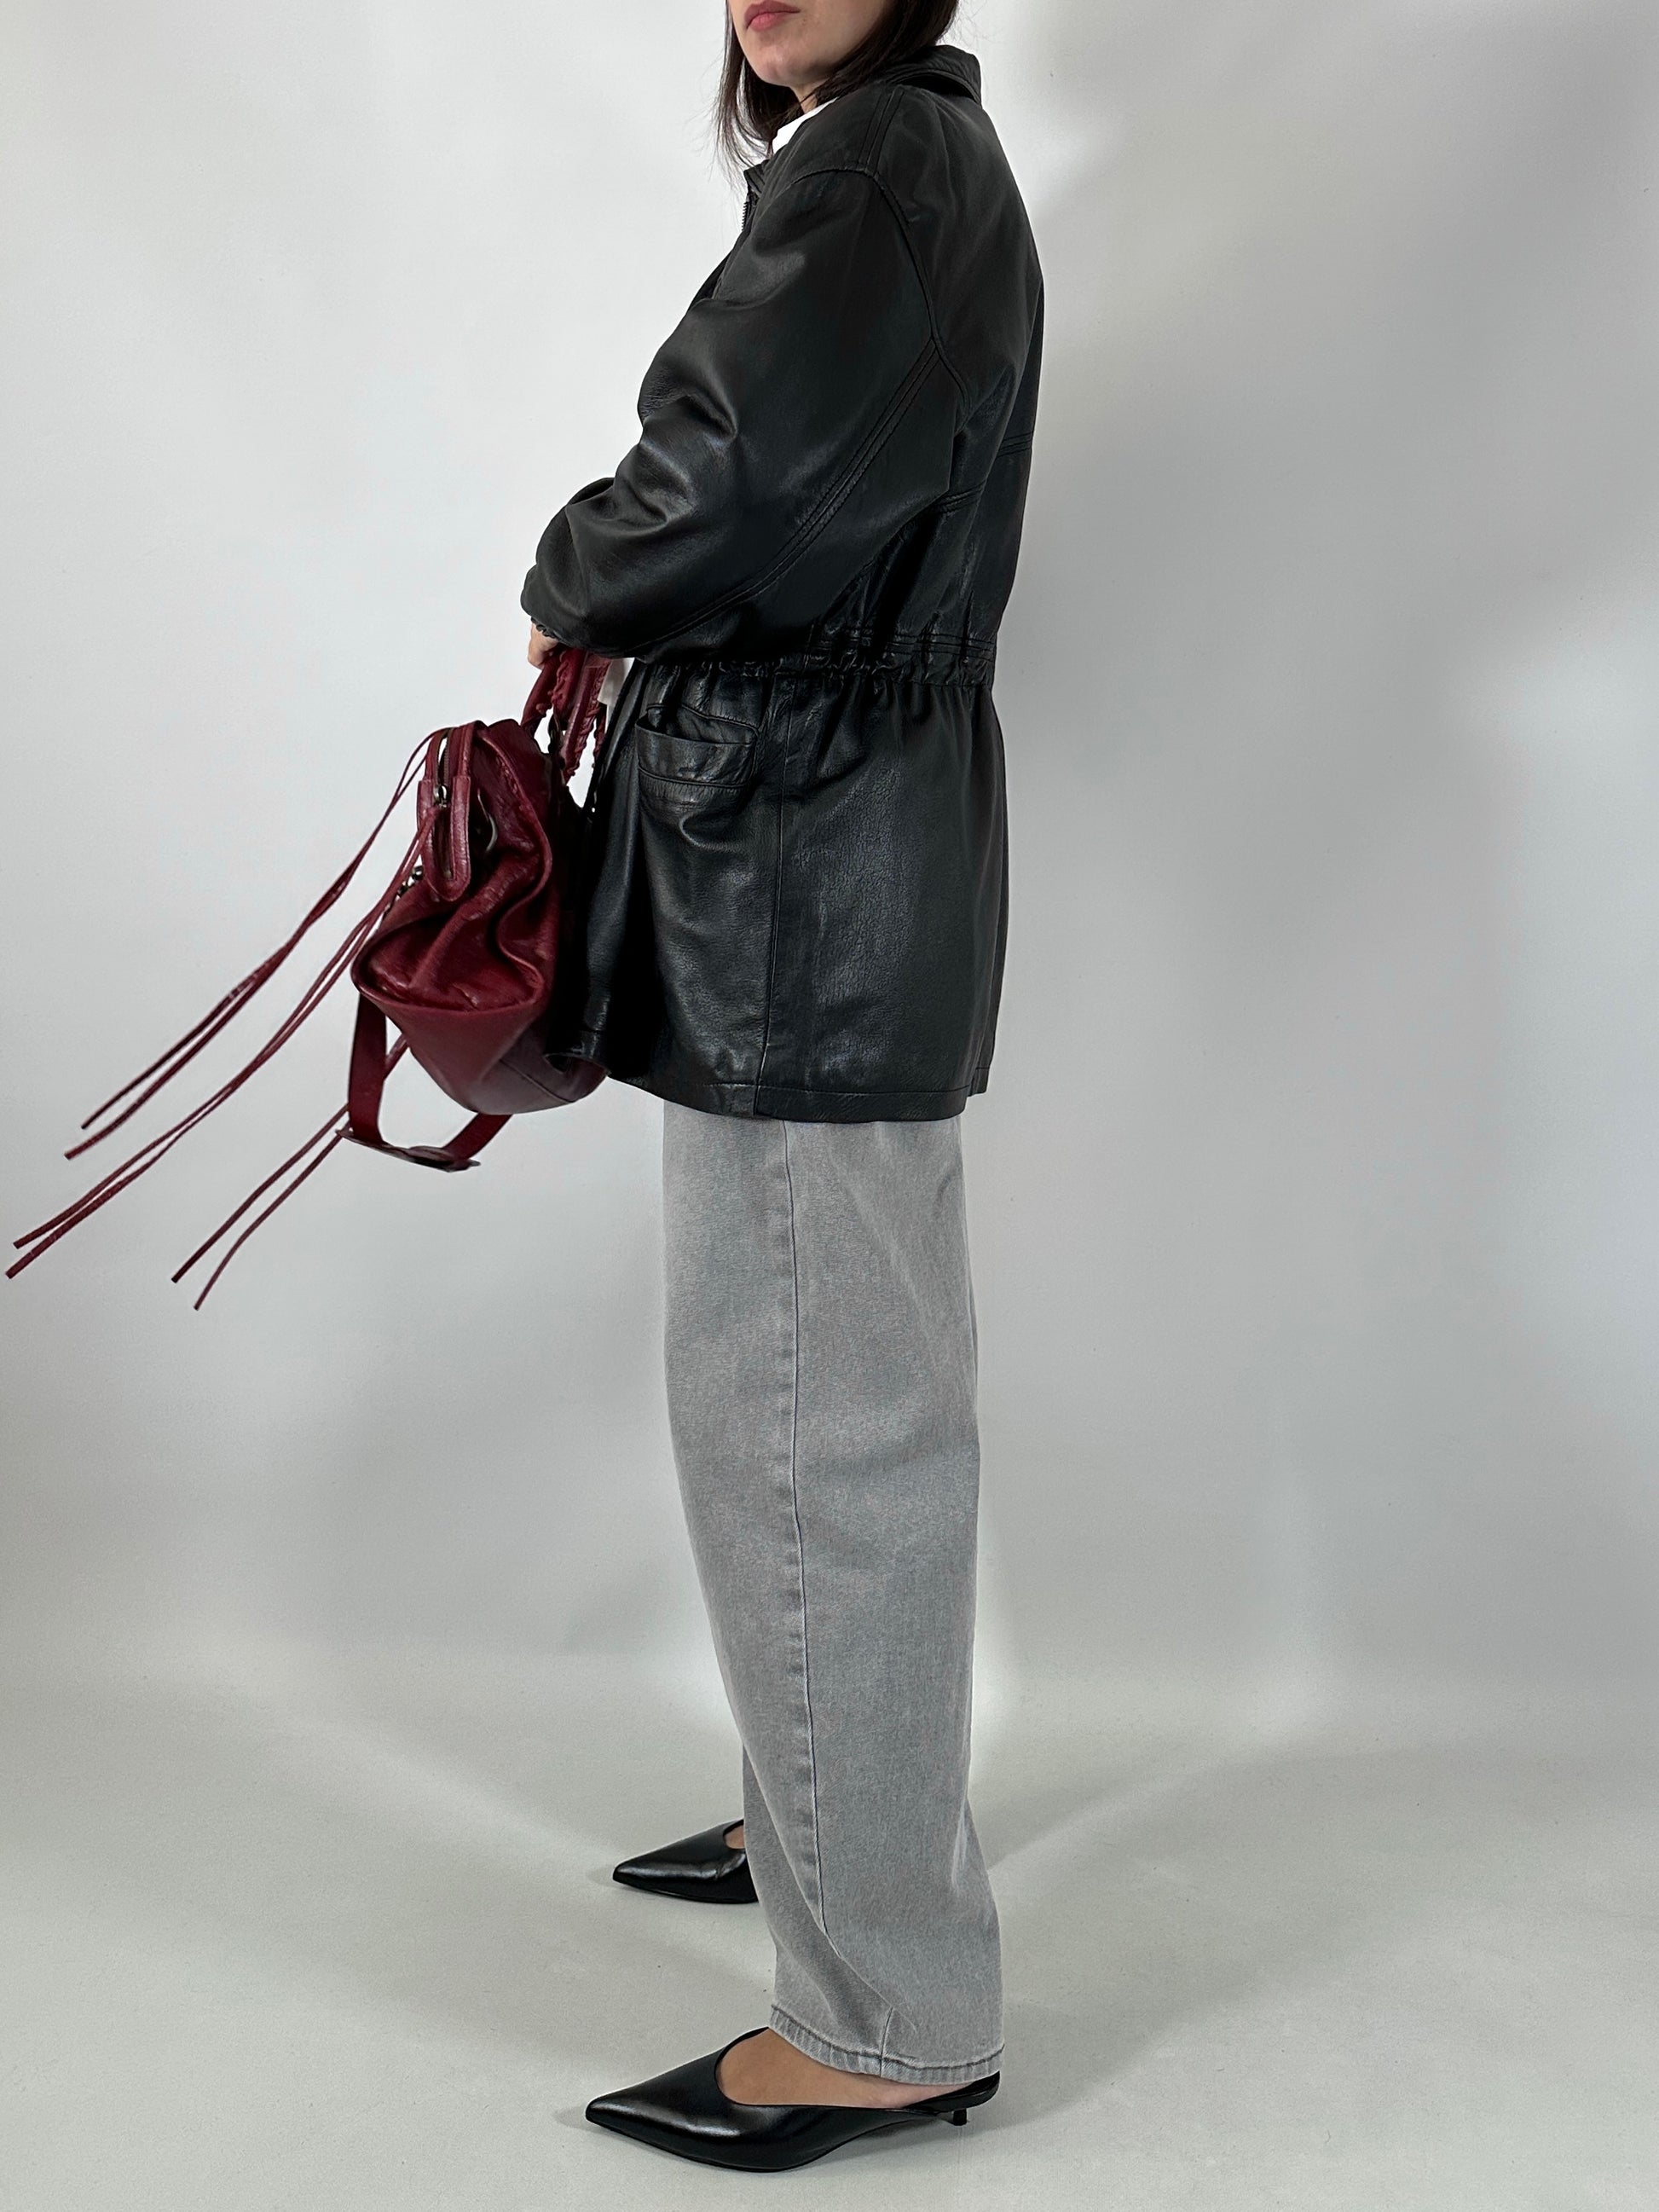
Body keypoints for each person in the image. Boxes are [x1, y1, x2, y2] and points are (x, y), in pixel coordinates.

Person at [520, 0, 1043, 2173]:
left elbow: (725, 488)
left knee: (814, 1423)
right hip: (834, 851)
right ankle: (821, 1805)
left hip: (806, 875)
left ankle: (884, 2014)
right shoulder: (906, 159)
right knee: (838, 1396)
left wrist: (573, 567)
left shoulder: (872, 166)